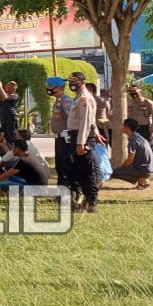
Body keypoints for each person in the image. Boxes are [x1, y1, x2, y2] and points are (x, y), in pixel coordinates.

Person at [65, 71, 99, 213]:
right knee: (80, 170)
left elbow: (86, 122)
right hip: (77, 136)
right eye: (70, 81)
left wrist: (80, 143)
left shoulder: (85, 98)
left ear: (83, 82)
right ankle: (86, 200)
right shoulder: (78, 98)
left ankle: (92, 202)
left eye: (75, 81)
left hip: (82, 137)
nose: (72, 84)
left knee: (87, 170)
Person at [47, 77, 75, 194]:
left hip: (66, 139)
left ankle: (67, 192)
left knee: (65, 166)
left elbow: (71, 119)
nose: (47, 89)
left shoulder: (65, 101)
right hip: (60, 138)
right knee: (59, 166)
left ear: (57, 88)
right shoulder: (58, 100)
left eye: (49, 87)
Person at [110, 119, 153, 189]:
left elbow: (129, 161)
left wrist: (122, 167)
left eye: (123, 126)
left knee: (114, 172)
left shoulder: (133, 140)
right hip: (150, 169)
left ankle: (142, 179)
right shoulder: (140, 138)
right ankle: (143, 181)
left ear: (127, 128)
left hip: (144, 170)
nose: (122, 127)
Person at [128, 85, 153, 159]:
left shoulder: (147, 102)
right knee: (135, 147)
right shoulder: (130, 104)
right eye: (131, 92)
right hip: (133, 129)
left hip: (145, 128)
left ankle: (152, 161)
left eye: (135, 91)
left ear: (140, 91)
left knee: (148, 145)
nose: (133, 93)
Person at [0, 80, 20, 145]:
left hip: (10, 119)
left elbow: (6, 98)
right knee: (3, 135)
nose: (5, 87)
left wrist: (0, 87)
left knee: (11, 136)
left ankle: (13, 147)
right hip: (3, 119)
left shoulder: (15, 95)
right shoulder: (5, 97)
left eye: (7, 86)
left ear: (13, 88)